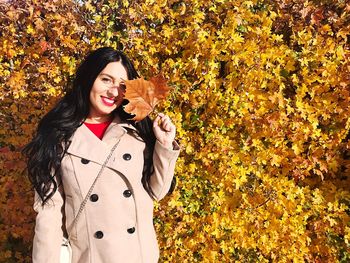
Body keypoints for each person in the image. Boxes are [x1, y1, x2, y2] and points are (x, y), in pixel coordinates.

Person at [23, 47, 180, 263]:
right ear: (89, 79)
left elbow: (157, 191)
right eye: (106, 80)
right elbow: (49, 212)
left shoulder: (136, 132)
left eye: (122, 86)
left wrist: (164, 143)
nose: (113, 92)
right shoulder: (58, 137)